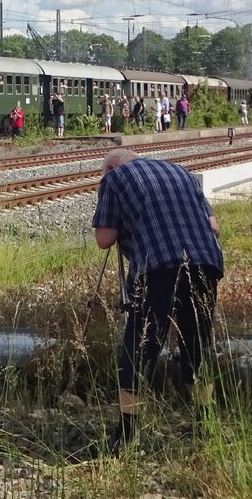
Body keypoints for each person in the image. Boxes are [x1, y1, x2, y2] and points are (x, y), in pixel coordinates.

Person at [92, 149, 224, 453]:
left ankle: (126, 434)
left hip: (157, 269)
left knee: (139, 349)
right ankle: (205, 423)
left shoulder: (115, 178)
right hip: (205, 263)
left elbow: (104, 239)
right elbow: (214, 227)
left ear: (111, 167)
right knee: (196, 344)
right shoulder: (183, 172)